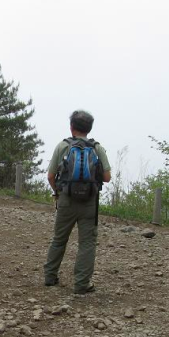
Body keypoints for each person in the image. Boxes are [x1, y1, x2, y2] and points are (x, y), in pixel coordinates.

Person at [43, 110, 112, 294]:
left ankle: (50, 277)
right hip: (90, 202)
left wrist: (58, 192)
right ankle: (82, 283)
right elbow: (107, 177)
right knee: (86, 243)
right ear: (89, 128)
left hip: (66, 199)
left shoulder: (62, 146)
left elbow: (50, 176)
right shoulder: (97, 148)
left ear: (71, 127)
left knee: (59, 239)